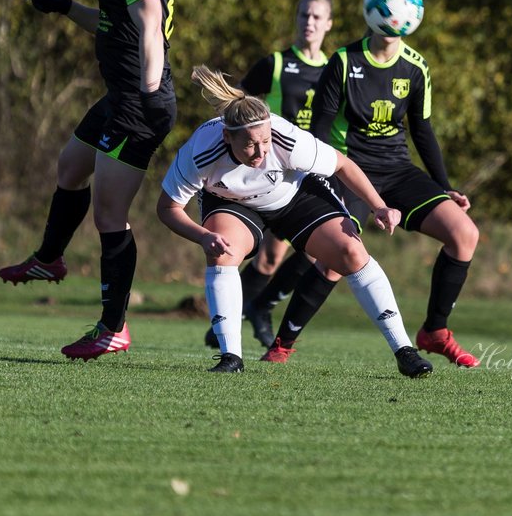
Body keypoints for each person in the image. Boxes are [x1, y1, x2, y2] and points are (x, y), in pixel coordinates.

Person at [157, 65, 434, 378]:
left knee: (351, 252)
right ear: (226, 136)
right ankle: (230, 357)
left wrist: (379, 206)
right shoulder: (201, 150)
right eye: (249, 144)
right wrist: (201, 236)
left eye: (264, 141)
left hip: (294, 196)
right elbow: (167, 207)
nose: (260, 152)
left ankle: (404, 351)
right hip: (232, 203)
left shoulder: (286, 139)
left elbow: (343, 165)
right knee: (222, 251)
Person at [0, 0, 177, 361]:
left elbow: (151, 23)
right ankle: (49, 259)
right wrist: (65, 8)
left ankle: (113, 327)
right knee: (70, 167)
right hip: (121, 97)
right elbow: (115, 24)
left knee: (109, 216)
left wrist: (150, 89)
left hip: (137, 101)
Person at [250, 4, 482, 368]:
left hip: (397, 170)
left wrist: (444, 185)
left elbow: (422, 131)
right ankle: (282, 344)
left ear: (413, 20)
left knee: (464, 233)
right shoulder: (343, 60)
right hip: (349, 170)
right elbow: (322, 125)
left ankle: (435, 331)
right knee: (336, 257)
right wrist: (319, 175)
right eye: (386, 11)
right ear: (371, 14)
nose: (392, 20)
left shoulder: (415, 66)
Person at [201, 0, 333, 350]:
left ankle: (256, 308)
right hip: (270, 169)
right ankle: (238, 314)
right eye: (304, 14)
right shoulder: (274, 64)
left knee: (315, 251)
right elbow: (236, 106)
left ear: (329, 24)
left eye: (317, 17)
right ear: (296, 18)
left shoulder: (334, 69)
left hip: (311, 168)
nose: (309, 22)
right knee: (272, 257)